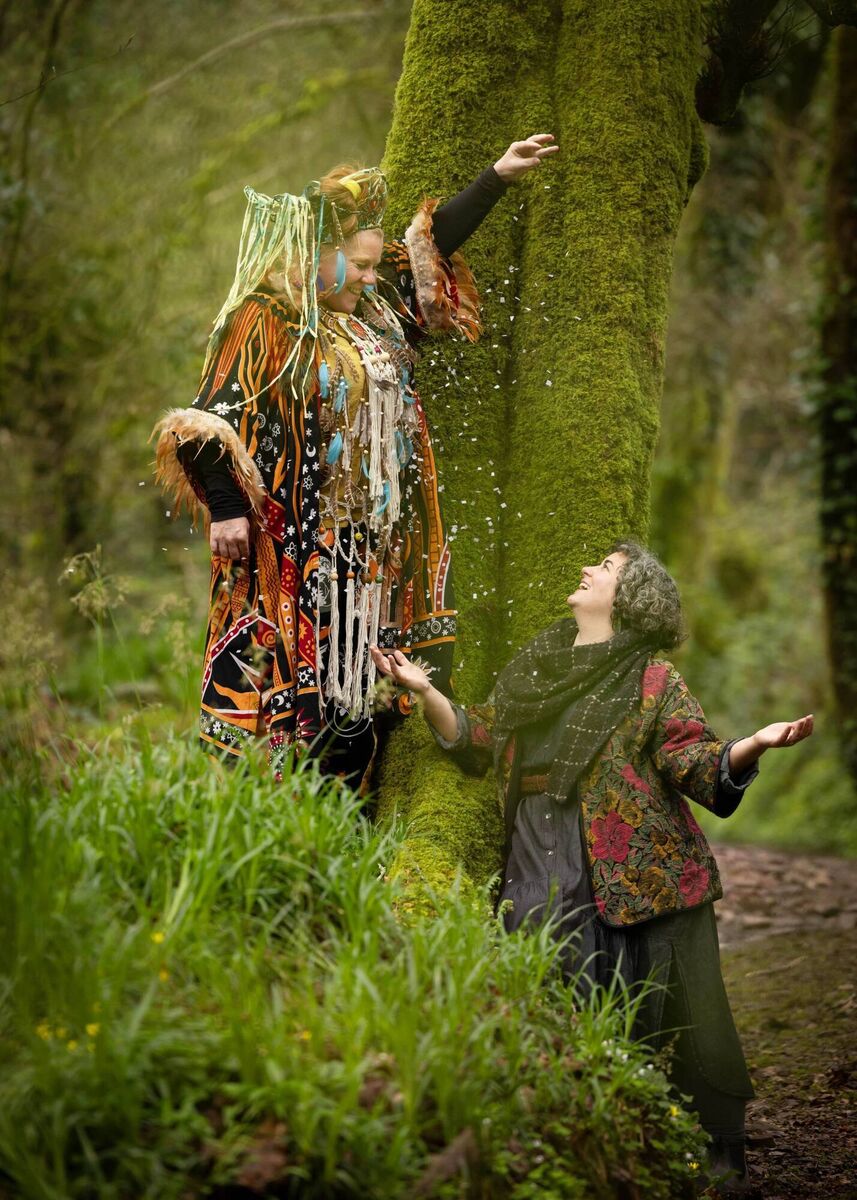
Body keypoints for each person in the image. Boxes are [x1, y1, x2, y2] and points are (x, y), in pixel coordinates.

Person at [370, 541, 813, 1193]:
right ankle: (558, 1135)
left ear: (631, 598)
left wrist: (754, 744)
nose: (585, 569)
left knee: (661, 1014)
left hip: (625, 862)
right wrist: (424, 689)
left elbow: (693, 761)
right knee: (543, 980)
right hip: (532, 845)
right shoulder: (539, 665)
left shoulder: (653, 679)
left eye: (605, 568)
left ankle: (688, 1153)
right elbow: (480, 735)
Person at [152, 135, 558, 783]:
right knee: (299, 678)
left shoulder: (371, 306)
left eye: (374, 266)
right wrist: (225, 508)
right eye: (361, 264)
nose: (374, 275)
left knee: (364, 688)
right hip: (296, 543)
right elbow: (206, 418)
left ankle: (354, 803)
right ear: (315, 255)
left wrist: (496, 178)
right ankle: (278, 803)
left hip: (375, 549)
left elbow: (425, 249)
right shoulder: (265, 317)